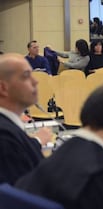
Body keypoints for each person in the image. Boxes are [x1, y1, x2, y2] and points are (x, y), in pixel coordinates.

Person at [0, 53, 52, 184]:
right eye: (26, 76)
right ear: (3, 88)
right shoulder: (5, 137)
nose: (35, 81)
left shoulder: (10, 127)